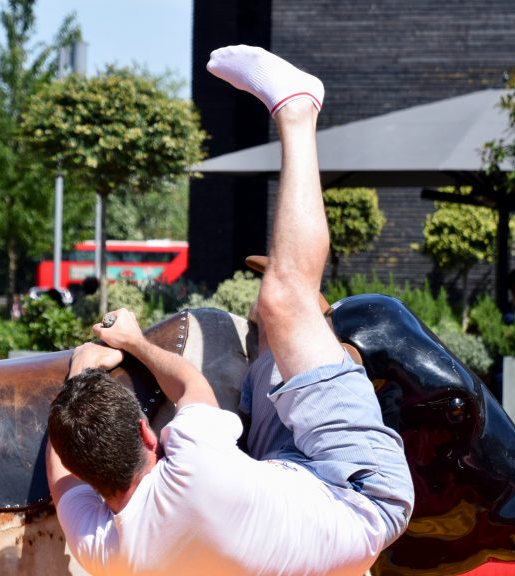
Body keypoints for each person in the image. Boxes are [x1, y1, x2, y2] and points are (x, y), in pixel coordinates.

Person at [46, 46, 413, 575]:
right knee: (281, 303)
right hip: (364, 493)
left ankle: (305, 332)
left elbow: (60, 483)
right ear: (152, 435)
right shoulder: (191, 458)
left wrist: (76, 386)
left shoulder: (103, 547)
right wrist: (128, 345)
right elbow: (190, 384)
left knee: (269, 354)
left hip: (288, 478)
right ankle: (298, 109)